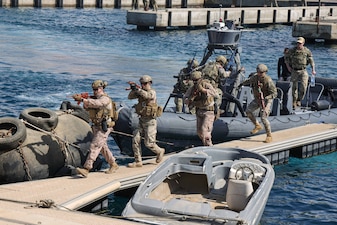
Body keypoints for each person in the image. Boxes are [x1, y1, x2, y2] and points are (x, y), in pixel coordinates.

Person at [73, 80, 119, 178]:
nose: (94, 91)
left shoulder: (105, 99)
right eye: (93, 89)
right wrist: (84, 101)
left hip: (104, 126)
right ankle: (113, 164)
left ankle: (86, 169)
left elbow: (98, 104)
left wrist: (83, 100)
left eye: (96, 89)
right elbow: (88, 108)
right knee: (102, 147)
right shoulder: (94, 99)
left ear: (101, 89)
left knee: (94, 146)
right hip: (97, 126)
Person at [127, 75, 165, 168]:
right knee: (135, 139)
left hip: (150, 121)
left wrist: (138, 90)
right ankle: (138, 161)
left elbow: (147, 96)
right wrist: (134, 89)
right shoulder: (140, 92)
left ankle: (160, 151)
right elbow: (130, 97)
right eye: (142, 84)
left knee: (149, 143)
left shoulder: (152, 92)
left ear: (150, 83)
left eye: (145, 83)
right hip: (142, 119)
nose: (143, 85)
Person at [239, 64, 277, 143]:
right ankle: (257, 125)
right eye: (258, 72)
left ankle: (269, 135)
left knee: (263, 118)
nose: (259, 74)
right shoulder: (255, 78)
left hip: (266, 100)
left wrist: (267, 99)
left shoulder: (268, 81)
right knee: (248, 111)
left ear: (265, 72)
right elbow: (248, 81)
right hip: (257, 99)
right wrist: (241, 84)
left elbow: (274, 94)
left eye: (261, 72)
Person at [184, 71, 219, 146]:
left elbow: (216, 94)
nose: (195, 82)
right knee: (200, 132)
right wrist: (188, 100)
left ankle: (209, 147)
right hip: (199, 111)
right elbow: (185, 97)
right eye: (193, 80)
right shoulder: (192, 88)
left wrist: (203, 90)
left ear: (201, 79)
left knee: (205, 132)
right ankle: (205, 146)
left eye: (196, 80)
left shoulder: (206, 85)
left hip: (208, 111)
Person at [285, 37, 316, 109]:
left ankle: (299, 99)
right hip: (294, 70)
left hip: (303, 70)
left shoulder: (306, 51)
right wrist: (288, 67)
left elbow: (311, 60)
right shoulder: (292, 50)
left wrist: (313, 69)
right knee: (294, 87)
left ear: (303, 43)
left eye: (300, 43)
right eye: (297, 43)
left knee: (304, 86)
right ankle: (294, 101)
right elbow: (286, 58)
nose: (298, 45)